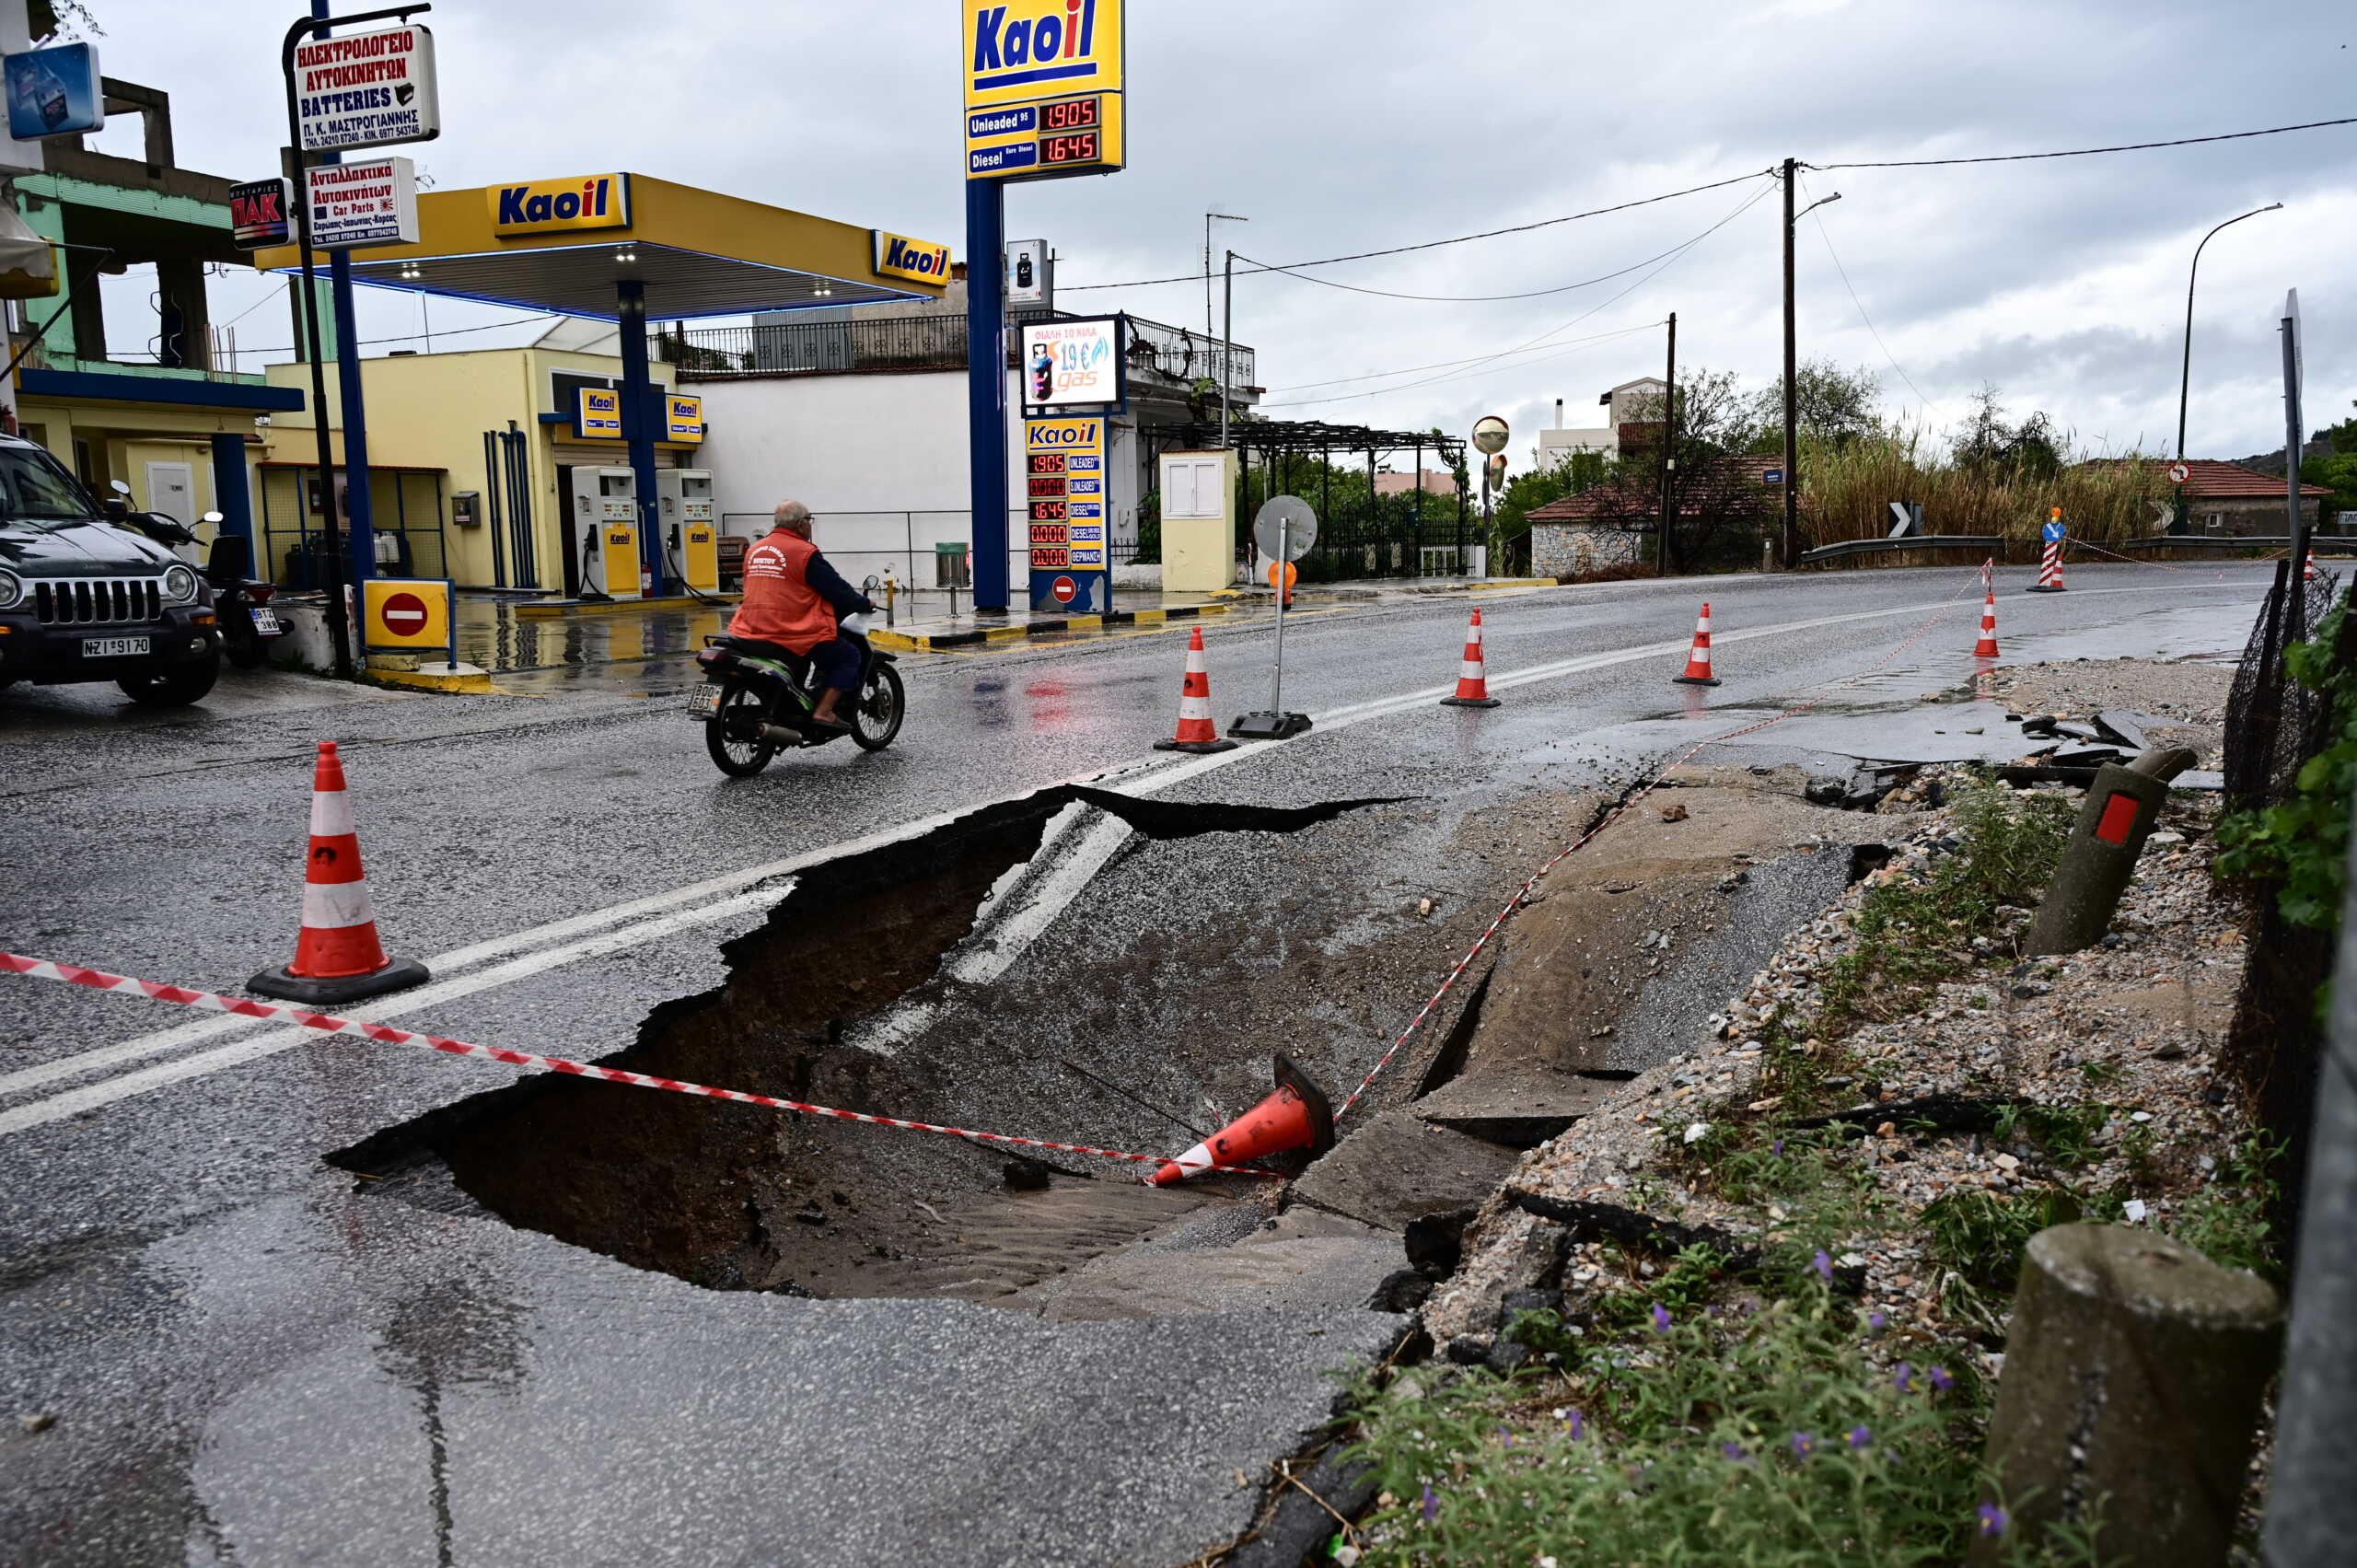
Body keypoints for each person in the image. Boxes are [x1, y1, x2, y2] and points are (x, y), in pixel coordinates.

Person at [726, 500, 876, 733]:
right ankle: (823, 711)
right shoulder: (805, 552)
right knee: (849, 656)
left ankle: (793, 703)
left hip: (747, 629)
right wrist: (864, 602)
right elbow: (836, 589)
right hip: (788, 631)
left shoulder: (755, 550)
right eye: (809, 519)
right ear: (800, 524)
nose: (810, 524)